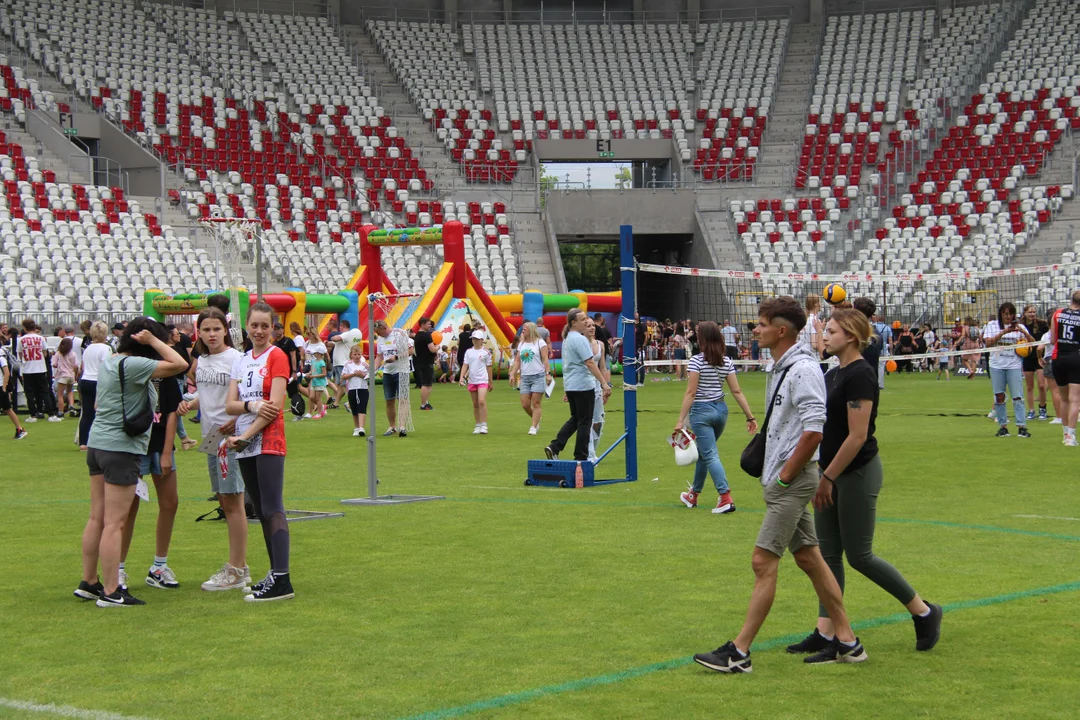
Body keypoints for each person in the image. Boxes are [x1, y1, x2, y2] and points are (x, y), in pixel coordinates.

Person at [693, 297, 866, 673]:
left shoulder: (802, 369)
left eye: (761, 324)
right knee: (809, 558)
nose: (754, 330)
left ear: (781, 330)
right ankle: (849, 642)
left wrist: (786, 475)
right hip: (782, 480)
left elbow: (814, 429)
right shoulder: (782, 365)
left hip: (792, 481)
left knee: (762, 561)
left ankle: (739, 653)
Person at [783, 309, 942, 657]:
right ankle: (827, 632)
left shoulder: (860, 375)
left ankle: (924, 612)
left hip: (855, 472)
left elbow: (856, 437)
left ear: (851, 336)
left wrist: (827, 477)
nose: (824, 337)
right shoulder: (833, 372)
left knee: (860, 556)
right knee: (827, 556)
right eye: (825, 330)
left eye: (832, 331)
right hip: (831, 472)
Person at [75, 318, 187, 607]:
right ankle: (112, 591)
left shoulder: (111, 361)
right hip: (120, 449)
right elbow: (179, 364)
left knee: (96, 518)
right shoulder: (136, 364)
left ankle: (89, 582)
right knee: (115, 523)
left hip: (98, 444)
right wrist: (152, 340)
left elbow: (100, 404)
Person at [177, 308, 250, 592]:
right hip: (210, 436)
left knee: (234, 502)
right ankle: (237, 566)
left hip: (228, 439)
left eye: (216, 329)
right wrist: (190, 403)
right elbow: (207, 394)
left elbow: (247, 395)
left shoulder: (236, 360)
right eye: (205, 329)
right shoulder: (202, 360)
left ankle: (237, 569)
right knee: (224, 500)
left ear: (225, 331)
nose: (211, 334)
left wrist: (238, 422)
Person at [225, 302, 294, 602]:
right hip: (245, 439)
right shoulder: (240, 361)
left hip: (268, 439)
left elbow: (275, 407)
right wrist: (249, 408)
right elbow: (230, 404)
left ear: (273, 328)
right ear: (248, 327)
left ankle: (282, 579)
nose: (259, 331)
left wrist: (245, 435)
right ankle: (274, 574)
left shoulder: (277, 356)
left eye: (265, 326)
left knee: (272, 508)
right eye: (255, 325)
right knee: (260, 511)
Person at [675, 321, 757, 514]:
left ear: (702, 338)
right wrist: (750, 417)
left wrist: (680, 420)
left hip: (701, 413)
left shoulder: (696, 361)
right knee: (705, 453)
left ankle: (725, 497)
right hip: (721, 412)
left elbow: (691, 393)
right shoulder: (726, 361)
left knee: (710, 454)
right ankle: (693, 494)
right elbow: (736, 391)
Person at [544, 309, 613, 461]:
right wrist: (603, 382)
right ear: (574, 323)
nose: (586, 322)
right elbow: (589, 362)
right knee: (585, 422)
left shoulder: (568, 338)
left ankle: (555, 446)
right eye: (582, 320)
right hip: (583, 385)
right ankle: (581, 457)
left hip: (571, 385)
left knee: (576, 418)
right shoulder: (579, 339)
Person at [983, 302, 1034, 438]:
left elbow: (1033, 343)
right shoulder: (992, 325)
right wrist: (1005, 332)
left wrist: (1022, 332)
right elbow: (988, 343)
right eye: (1006, 314)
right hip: (996, 365)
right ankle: (1003, 426)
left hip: (1014, 366)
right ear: (1001, 314)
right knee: (999, 397)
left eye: (1011, 314)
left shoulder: (1020, 327)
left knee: (1018, 397)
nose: (1008, 317)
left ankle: (1021, 426)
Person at [509, 321, 551, 435]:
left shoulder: (540, 343)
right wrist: (512, 373)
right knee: (525, 404)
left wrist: (548, 373)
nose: (523, 331)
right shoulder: (521, 344)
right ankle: (536, 418)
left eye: (525, 329)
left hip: (538, 376)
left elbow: (545, 359)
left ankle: (533, 426)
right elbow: (518, 360)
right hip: (525, 377)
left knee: (536, 403)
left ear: (531, 330)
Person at [1049, 291, 1080, 445]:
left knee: (1064, 399)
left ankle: (1065, 434)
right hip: (1076, 357)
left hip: (1058, 358)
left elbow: (1053, 339)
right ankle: (1071, 436)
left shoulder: (1058, 313)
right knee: (1075, 399)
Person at [77, 322, 112, 450]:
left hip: (86, 379)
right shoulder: (106, 349)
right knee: (102, 411)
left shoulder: (88, 348)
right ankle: (101, 439)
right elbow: (106, 367)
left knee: (87, 412)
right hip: (98, 380)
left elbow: (84, 366)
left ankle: (83, 441)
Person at [373, 319, 408, 437]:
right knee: (389, 400)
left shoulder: (399, 333)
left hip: (401, 371)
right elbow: (379, 356)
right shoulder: (380, 340)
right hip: (387, 373)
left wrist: (396, 357)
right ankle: (392, 427)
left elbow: (411, 351)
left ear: (384, 327)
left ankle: (402, 426)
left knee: (402, 399)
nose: (378, 335)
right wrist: (374, 368)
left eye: (378, 332)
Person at [584, 317, 611, 461]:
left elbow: (603, 367)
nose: (591, 328)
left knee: (599, 420)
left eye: (592, 325)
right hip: (583, 385)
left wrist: (606, 386)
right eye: (587, 326)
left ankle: (594, 449)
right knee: (586, 420)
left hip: (597, 385)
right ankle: (590, 453)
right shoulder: (580, 344)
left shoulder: (600, 344)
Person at [459, 329, 493, 434]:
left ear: (482, 340)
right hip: (472, 380)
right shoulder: (469, 352)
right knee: (475, 404)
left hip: (482, 379)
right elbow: (465, 365)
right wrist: (461, 377)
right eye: (473, 339)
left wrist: (490, 382)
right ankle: (478, 424)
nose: (475, 341)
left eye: (477, 339)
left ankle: (484, 425)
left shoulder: (486, 352)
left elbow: (489, 367)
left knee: (481, 401)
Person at [1020, 305, 1049, 420]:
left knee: (1042, 385)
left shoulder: (1042, 324)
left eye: (1034, 312)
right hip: (1027, 357)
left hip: (1039, 358)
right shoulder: (1021, 326)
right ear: (1025, 313)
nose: (1032, 314)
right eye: (1030, 312)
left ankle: (1042, 409)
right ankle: (1031, 411)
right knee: (1029, 386)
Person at [16, 319, 49, 422]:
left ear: (24, 328)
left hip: (28, 369)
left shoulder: (21, 340)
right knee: (44, 391)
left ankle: (33, 415)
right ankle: (51, 413)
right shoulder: (41, 338)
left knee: (29, 393)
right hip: (40, 368)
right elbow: (45, 353)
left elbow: (20, 355)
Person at [328, 320, 363, 409]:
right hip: (339, 362)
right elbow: (332, 344)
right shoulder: (347, 336)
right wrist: (326, 343)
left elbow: (335, 339)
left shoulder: (346, 334)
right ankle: (336, 404)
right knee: (340, 385)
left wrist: (332, 336)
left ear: (342, 325)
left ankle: (352, 402)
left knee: (345, 384)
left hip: (342, 362)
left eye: (340, 326)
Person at [272, 323, 304, 421]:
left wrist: (294, 371)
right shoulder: (274, 344)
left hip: (289, 370)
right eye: (275, 329)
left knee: (293, 392)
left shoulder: (288, 341)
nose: (277, 331)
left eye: (279, 329)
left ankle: (299, 413)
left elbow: (293, 356)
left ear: (282, 330)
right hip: (278, 372)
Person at [0, 338, 27, 439]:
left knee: (7, 409)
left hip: (0, 386)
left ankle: (20, 429)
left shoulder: (1, 357)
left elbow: (6, 372)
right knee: (7, 409)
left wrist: (3, 387)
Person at [1039, 316, 1063, 425]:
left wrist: (1039, 357)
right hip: (1065, 360)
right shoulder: (1064, 332)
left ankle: (1059, 417)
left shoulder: (1047, 335)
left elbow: (1039, 348)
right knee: (1070, 391)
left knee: (1055, 391)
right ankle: (1076, 414)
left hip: (1052, 360)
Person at [342, 344, 369, 436]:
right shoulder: (348, 365)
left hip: (363, 388)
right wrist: (353, 374)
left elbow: (370, 375)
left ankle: (361, 427)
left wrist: (362, 375)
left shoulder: (364, 365)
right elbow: (344, 376)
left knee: (362, 407)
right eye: (355, 354)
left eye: (359, 354)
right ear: (351, 355)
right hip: (352, 389)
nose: (357, 356)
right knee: (354, 409)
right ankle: (356, 427)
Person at [51, 337, 79, 420]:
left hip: (62, 375)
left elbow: (54, 364)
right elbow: (76, 366)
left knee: (60, 394)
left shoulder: (58, 353)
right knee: (70, 391)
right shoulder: (73, 354)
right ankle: (71, 406)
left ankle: (61, 411)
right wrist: (75, 374)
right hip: (71, 375)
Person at [413, 317, 438, 410]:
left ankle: (426, 402)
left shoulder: (417, 336)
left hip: (421, 361)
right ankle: (424, 404)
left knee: (428, 383)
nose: (430, 325)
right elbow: (432, 349)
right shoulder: (426, 335)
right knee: (426, 384)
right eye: (428, 324)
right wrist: (437, 347)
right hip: (427, 362)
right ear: (422, 325)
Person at [307, 350, 329, 419]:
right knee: (311, 397)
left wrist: (314, 376)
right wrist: (309, 374)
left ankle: (319, 413)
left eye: (315, 353)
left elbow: (324, 374)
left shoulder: (322, 362)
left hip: (320, 382)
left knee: (317, 398)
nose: (314, 354)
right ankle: (322, 407)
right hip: (314, 382)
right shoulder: (313, 361)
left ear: (319, 354)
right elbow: (312, 370)